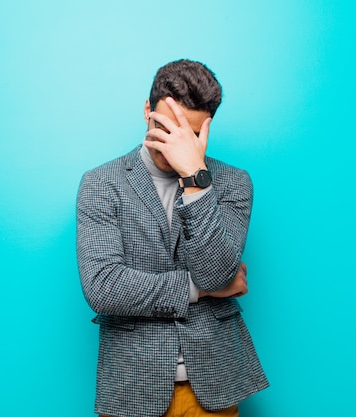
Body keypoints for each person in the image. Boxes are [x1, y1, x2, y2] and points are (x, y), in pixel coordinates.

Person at [76, 59, 268, 417]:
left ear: (207, 128)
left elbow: (216, 274)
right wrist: (200, 291)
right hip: (132, 386)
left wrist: (195, 178)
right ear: (147, 110)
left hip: (214, 383)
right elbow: (103, 288)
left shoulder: (233, 183)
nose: (172, 144)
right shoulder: (101, 184)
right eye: (164, 126)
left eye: (189, 134)